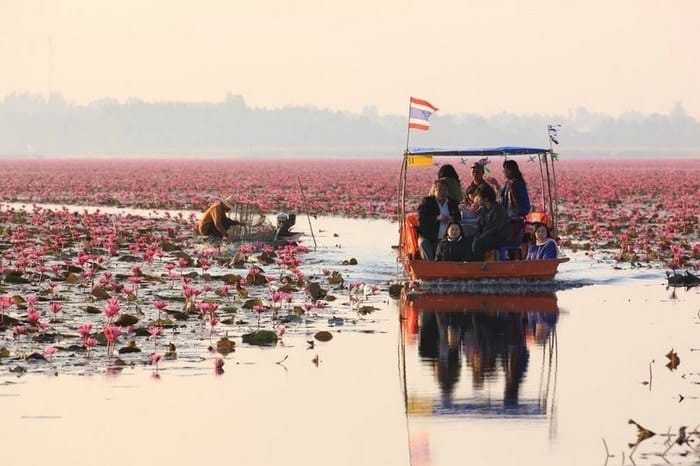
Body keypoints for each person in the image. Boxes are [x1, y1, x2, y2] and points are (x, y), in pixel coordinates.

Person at [418, 178, 461, 261]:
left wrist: (452, 219)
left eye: (445, 190)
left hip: (446, 237)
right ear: (434, 191)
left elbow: (458, 217)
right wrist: (437, 218)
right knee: (423, 243)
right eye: (440, 190)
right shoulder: (427, 202)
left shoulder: (452, 203)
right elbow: (421, 218)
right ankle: (430, 267)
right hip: (429, 236)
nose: (442, 193)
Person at [468, 183, 509, 262]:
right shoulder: (483, 209)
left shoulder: (498, 209)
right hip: (486, 235)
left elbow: (496, 228)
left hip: (498, 237)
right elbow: (481, 224)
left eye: (479, 197)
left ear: (486, 198)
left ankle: (479, 267)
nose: (477, 199)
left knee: (478, 244)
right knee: (468, 240)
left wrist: (482, 236)